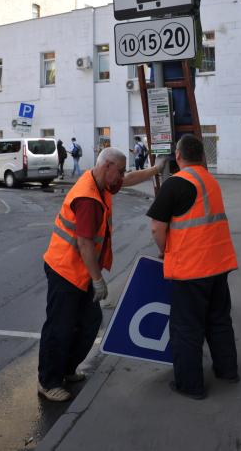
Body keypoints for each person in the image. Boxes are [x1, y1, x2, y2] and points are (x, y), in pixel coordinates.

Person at [38, 147, 165, 402]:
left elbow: (128, 180)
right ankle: (48, 381)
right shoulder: (88, 199)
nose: (121, 177)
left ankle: (66, 369)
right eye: (119, 171)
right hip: (66, 271)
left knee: (89, 322)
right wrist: (98, 280)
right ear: (107, 166)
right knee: (60, 327)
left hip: (80, 271)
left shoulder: (102, 181)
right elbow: (84, 244)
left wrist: (155, 170)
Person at [147, 134, 239, 400]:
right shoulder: (211, 181)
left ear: (178, 156)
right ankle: (228, 371)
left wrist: (165, 251)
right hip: (218, 265)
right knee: (219, 321)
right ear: (201, 156)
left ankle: (190, 385)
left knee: (186, 328)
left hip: (190, 269)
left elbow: (156, 227)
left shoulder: (175, 184)